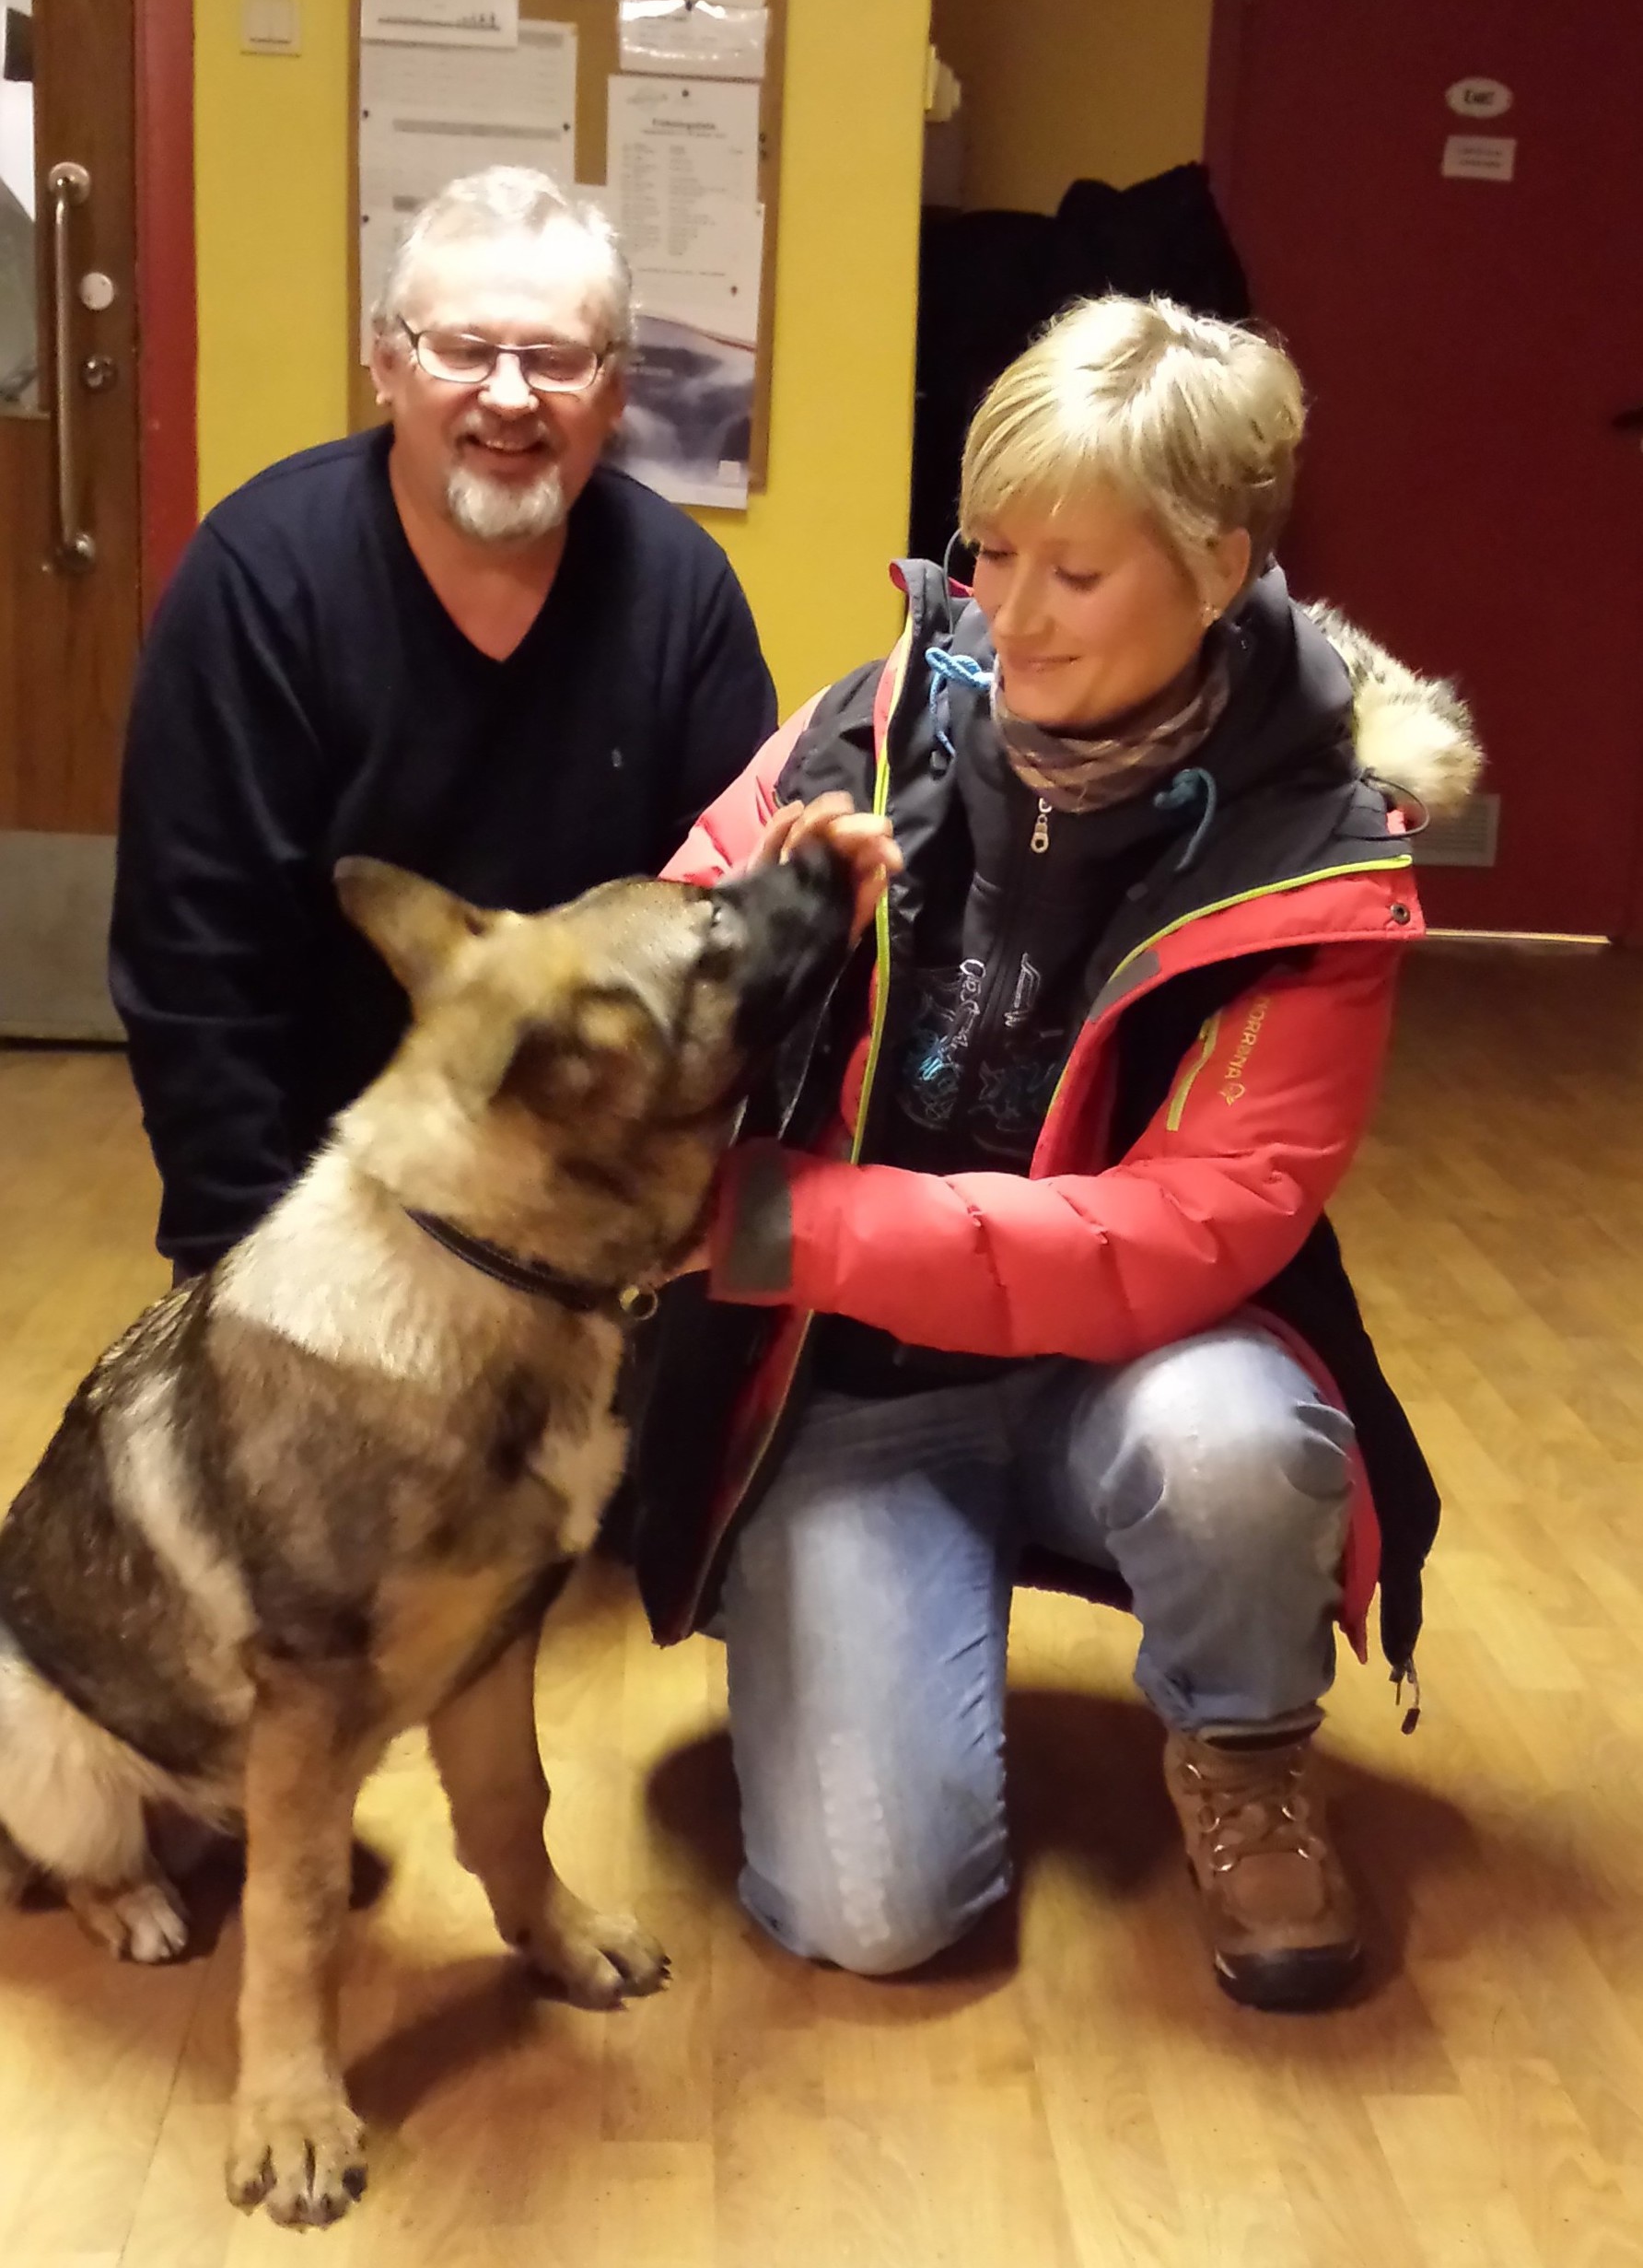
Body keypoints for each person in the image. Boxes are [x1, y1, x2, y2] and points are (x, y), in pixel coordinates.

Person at [630, 296, 1481, 2010]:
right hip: (856, 1391)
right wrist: (763, 933)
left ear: (1222, 561)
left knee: (1240, 1436)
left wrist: (782, 1219)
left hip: (1139, 1371)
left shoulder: (1324, 839)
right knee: (875, 1913)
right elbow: (649, 980)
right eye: (988, 549)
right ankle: (879, 1594)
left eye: (1074, 575)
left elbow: (1185, 1230)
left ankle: (1244, 1747)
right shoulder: (865, 722)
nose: (1004, 616)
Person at [111, 167, 775, 1276]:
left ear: (614, 393)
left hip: (598, 1223)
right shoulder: (256, 583)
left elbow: (721, 952)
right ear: (385, 364)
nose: (509, 397)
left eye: (557, 360)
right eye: (462, 350)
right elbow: (195, 976)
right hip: (317, 1204)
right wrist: (246, 1267)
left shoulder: (683, 596)